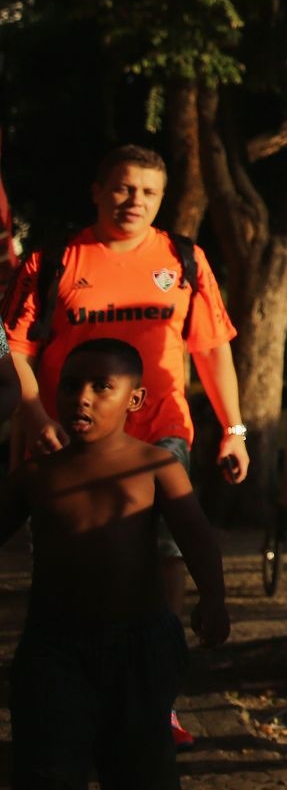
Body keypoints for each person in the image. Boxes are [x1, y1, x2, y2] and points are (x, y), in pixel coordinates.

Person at [3, 144, 248, 748]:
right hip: (72, 434)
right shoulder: (53, 260)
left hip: (159, 432)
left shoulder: (183, 259)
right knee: (67, 553)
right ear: (97, 190)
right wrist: (33, 412)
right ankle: (66, 689)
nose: (134, 200)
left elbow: (211, 348)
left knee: (168, 554)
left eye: (148, 191)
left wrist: (234, 429)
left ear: (162, 201)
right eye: (122, 187)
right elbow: (13, 347)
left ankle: (156, 698)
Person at [1, 338, 230, 788]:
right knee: (47, 768)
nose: (81, 397)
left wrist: (214, 600)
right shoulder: (36, 475)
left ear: (135, 399)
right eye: (69, 386)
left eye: (102, 386)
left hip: (139, 646)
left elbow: (197, 538)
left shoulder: (156, 466)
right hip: (54, 650)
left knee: (141, 767)